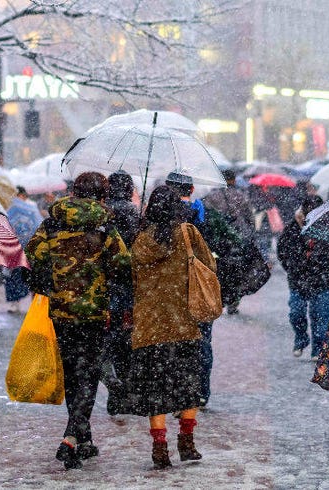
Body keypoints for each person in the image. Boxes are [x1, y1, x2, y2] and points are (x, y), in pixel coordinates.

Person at [25, 171, 130, 470]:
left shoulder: (53, 221)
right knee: (89, 371)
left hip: (60, 311)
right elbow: (122, 263)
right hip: (94, 311)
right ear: (101, 194)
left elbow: (35, 252)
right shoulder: (104, 225)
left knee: (73, 373)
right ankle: (72, 435)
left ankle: (84, 439)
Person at [129, 185, 216, 468]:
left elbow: (132, 281)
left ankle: (159, 447)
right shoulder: (188, 234)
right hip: (185, 323)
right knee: (187, 386)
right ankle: (187, 442)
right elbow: (208, 267)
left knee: (156, 390)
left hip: (150, 327)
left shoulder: (140, 241)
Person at [165, 171, 213, 408]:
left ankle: (177, 392)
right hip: (198, 286)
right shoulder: (201, 210)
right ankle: (201, 391)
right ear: (191, 189)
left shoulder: (160, 214)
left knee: (174, 342)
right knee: (202, 340)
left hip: (171, 287)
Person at [277, 195, 329, 360]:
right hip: (298, 280)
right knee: (296, 313)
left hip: (321, 279)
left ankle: (318, 348)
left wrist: (319, 259)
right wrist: (293, 266)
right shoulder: (292, 229)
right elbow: (283, 251)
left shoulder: (327, 229)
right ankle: (301, 338)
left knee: (321, 317)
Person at [102, 171, 140, 415]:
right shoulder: (133, 214)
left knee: (107, 341)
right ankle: (125, 388)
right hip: (128, 286)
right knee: (127, 341)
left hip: (104, 286)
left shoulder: (102, 214)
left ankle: (112, 383)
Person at [203, 169, 260, 314]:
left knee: (219, 269)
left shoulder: (211, 197)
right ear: (234, 180)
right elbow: (250, 218)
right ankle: (233, 301)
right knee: (237, 271)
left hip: (219, 240)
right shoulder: (241, 196)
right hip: (238, 239)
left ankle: (219, 297)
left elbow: (206, 217)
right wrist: (250, 234)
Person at [4, 186, 43, 313]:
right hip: (18, 247)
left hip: (18, 247)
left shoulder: (23, 208)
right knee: (15, 275)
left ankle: (16, 300)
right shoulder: (25, 209)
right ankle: (15, 300)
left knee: (17, 275)